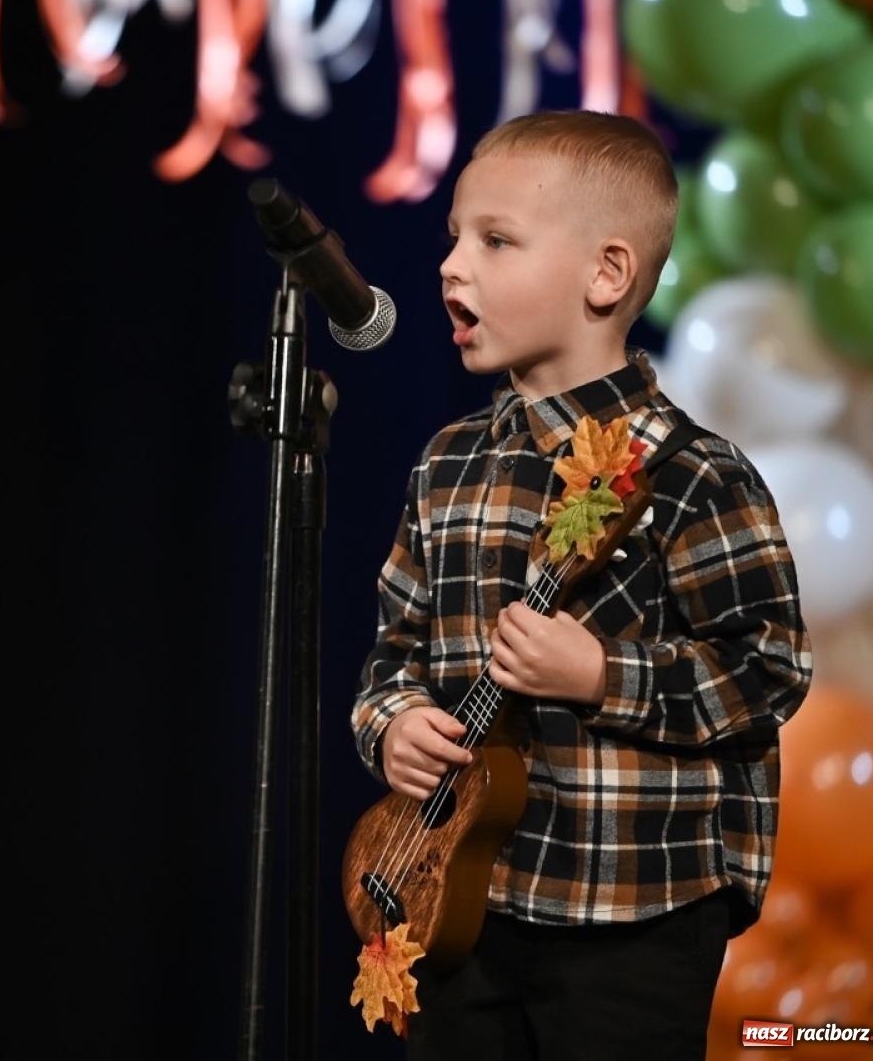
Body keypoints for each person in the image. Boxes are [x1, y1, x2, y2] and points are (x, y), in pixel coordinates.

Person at [349, 111, 811, 1060]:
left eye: (496, 241)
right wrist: (392, 723)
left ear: (606, 275)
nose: (451, 266)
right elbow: (393, 654)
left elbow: (767, 669)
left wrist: (604, 673)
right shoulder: (449, 464)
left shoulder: (693, 473)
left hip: (631, 912)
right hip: (458, 903)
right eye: (454, 239)